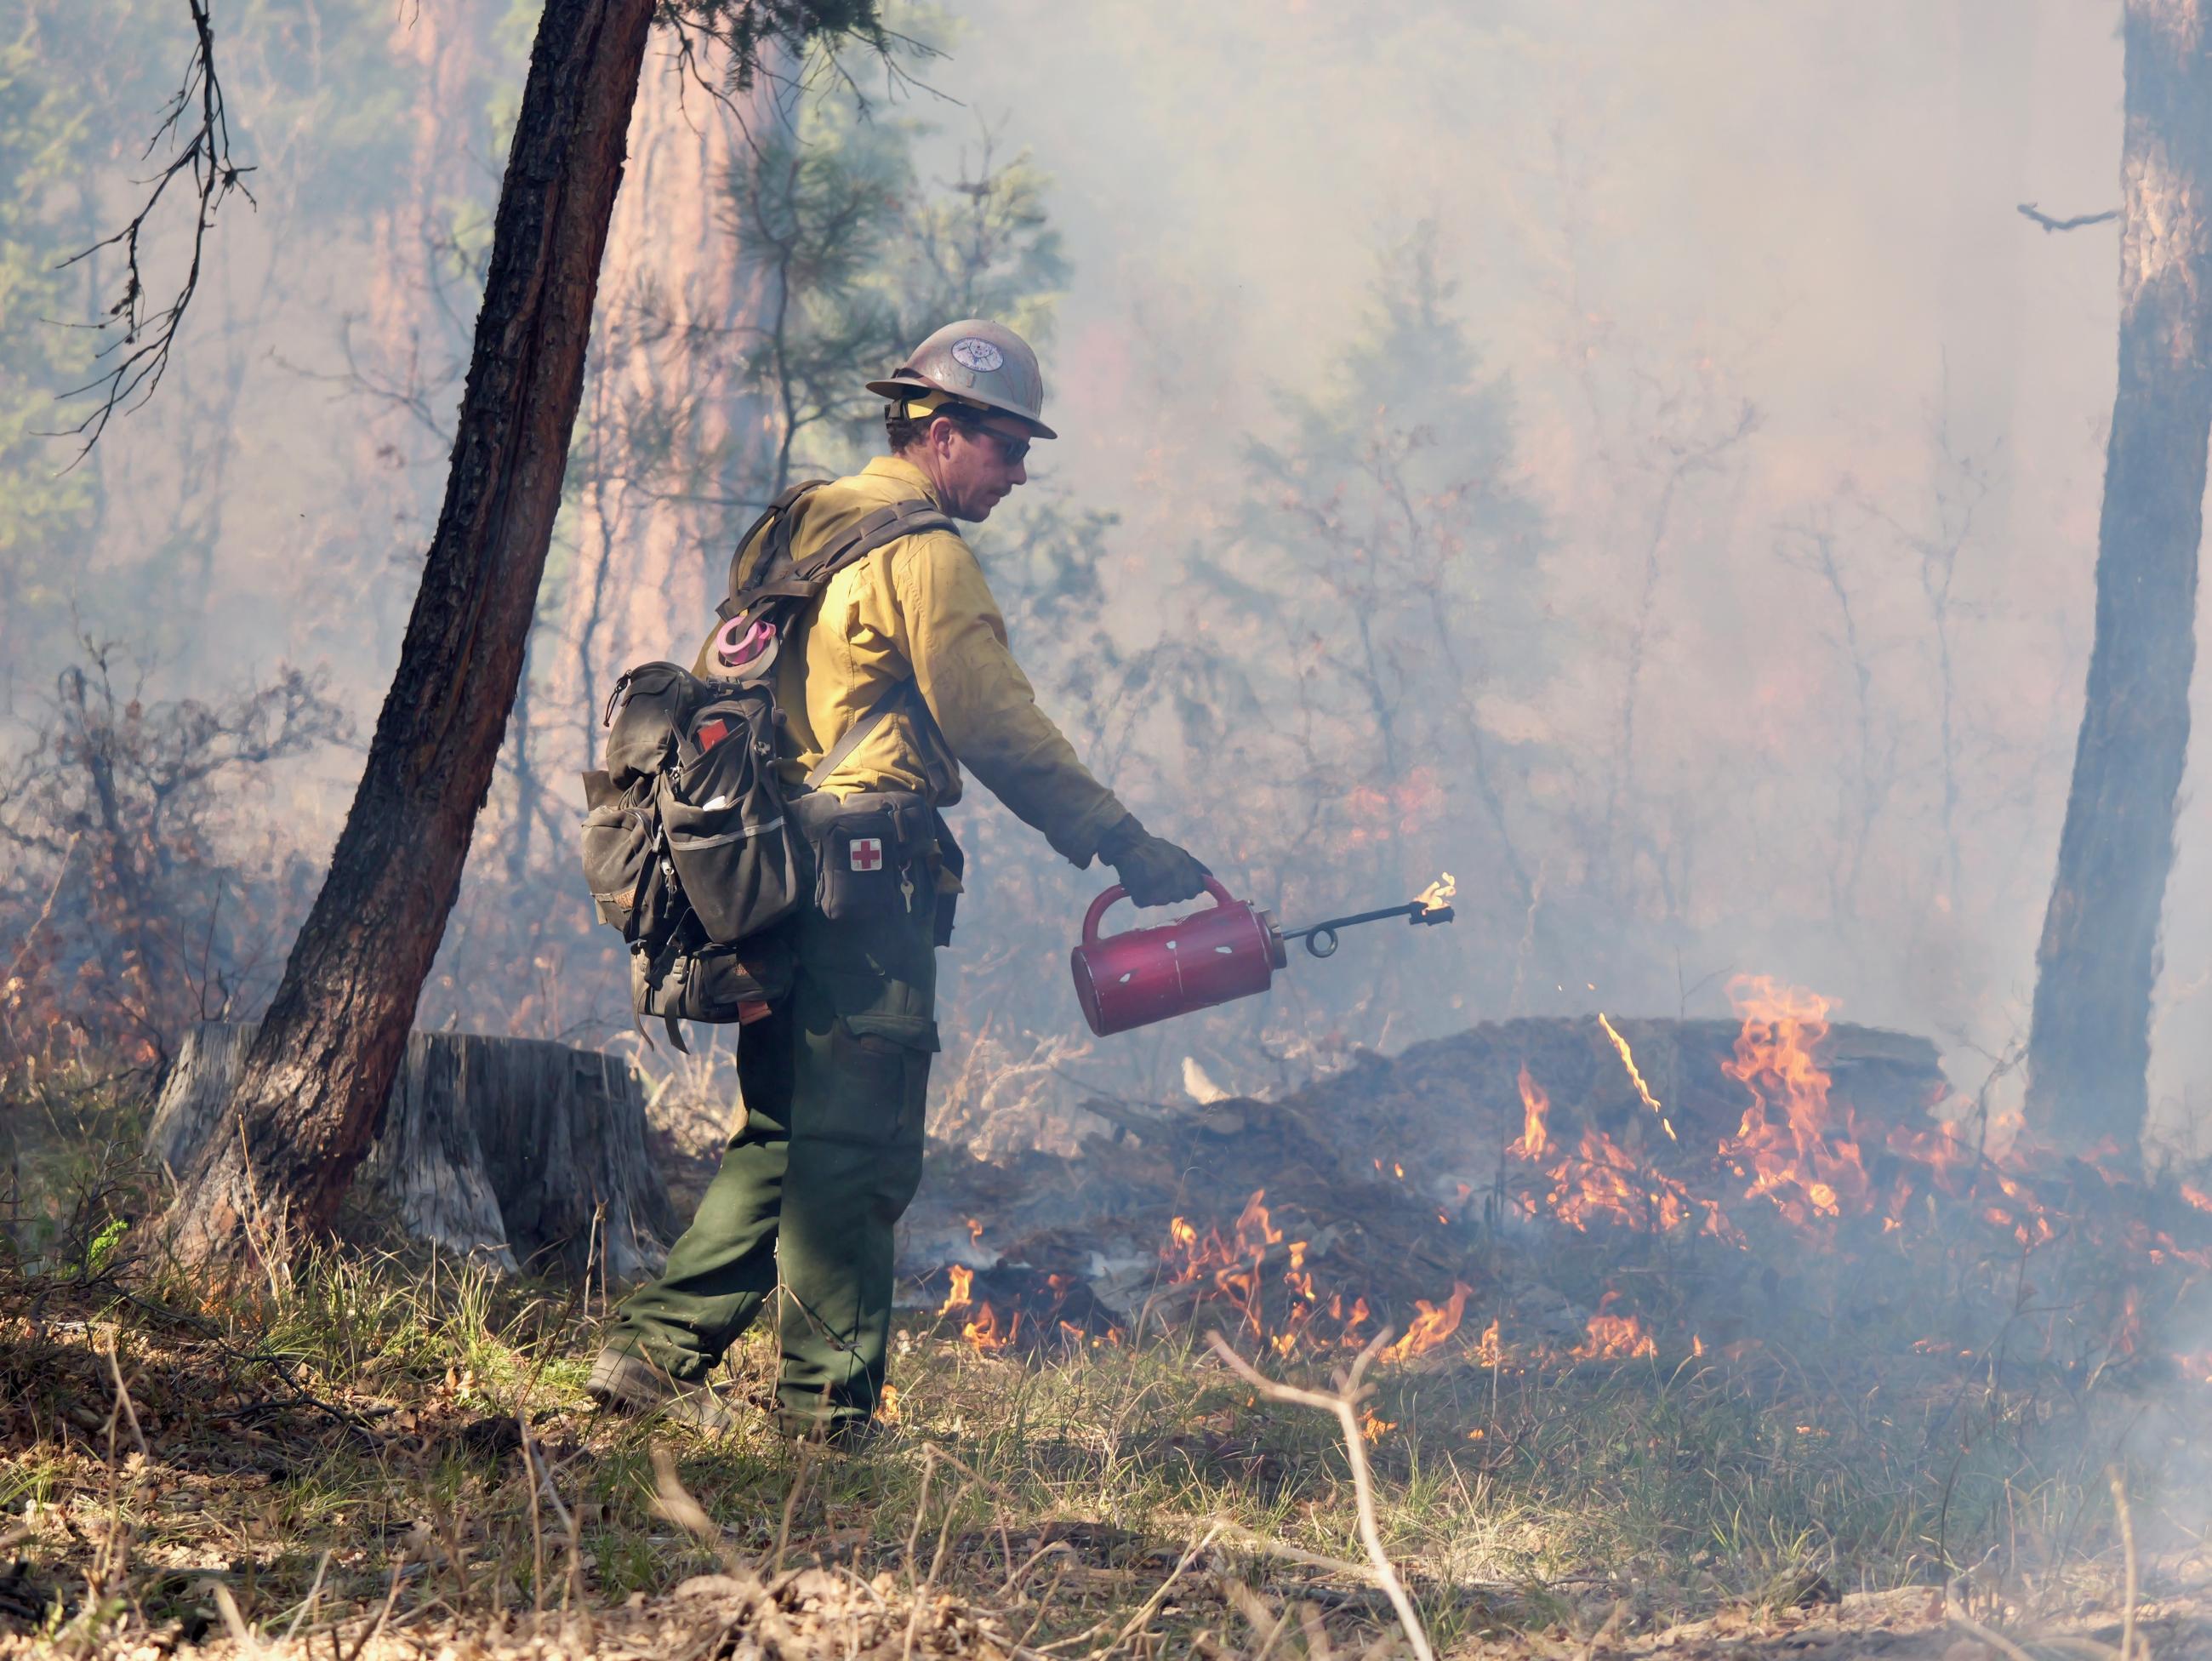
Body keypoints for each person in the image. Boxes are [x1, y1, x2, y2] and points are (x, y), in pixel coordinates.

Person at [586, 319, 1209, 1441]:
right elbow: (993, 723)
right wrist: (1120, 838)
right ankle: (827, 1414)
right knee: (860, 1144)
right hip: (862, 882)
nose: (1020, 473)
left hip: (769, 872)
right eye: (1006, 446)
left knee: (782, 1130)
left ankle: (653, 1356)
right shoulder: (924, 554)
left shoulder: (802, 524)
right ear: (941, 431)